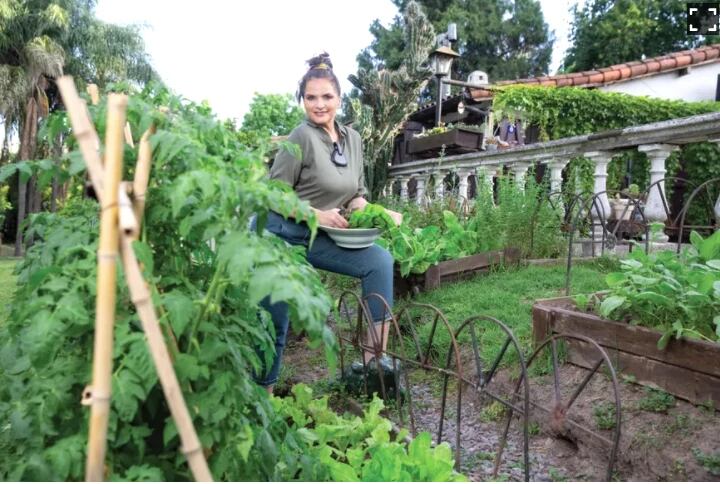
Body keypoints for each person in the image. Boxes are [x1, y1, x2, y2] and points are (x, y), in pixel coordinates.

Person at [256, 52, 401, 393]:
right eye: (311, 97)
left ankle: (372, 364)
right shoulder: (299, 138)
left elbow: (356, 195)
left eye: (326, 97)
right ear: (302, 100)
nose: (319, 105)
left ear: (339, 98)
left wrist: (378, 212)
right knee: (275, 316)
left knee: (379, 261)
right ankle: (264, 393)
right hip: (283, 233)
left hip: (322, 234)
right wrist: (315, 214)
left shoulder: (353, 140)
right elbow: (274, 197)